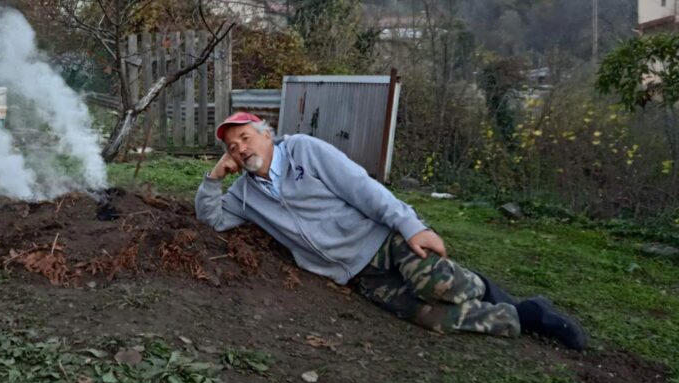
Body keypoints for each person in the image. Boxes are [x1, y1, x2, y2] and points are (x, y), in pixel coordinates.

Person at [195, 112, 586, 349]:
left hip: (384, 241)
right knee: (430, 317)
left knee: (438, 286)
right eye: (231, 147)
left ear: (266, 133)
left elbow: (361, 187)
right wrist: (214, 178)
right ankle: (521, 317)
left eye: (245, 138)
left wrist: (410, 225)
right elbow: (211, 218)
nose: (240, 149)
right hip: (357, 275)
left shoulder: (304, 150)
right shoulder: (246, 196)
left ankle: (486, 288)